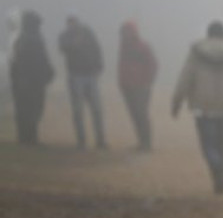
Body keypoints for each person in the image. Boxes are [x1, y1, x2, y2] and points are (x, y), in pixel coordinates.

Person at [171, 21, 223, 194]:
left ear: (208, 34)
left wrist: (177, 102)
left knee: (207, 144)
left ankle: (216, 168)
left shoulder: (196, 53)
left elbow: (185, 78)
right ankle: (220, 177)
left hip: (203, 106)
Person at [59, 15, 107, 149]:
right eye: (69, 22)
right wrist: (74, 44)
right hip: (75, 76)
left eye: (73, 22)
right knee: (78, 110)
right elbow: (63, 48)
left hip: (90, 75)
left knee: (96, 109)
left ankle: (100, 140)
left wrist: (99, 66)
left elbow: (97, 49)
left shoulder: (88, 33)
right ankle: (81, 141)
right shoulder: (65, 36)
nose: (71, 24)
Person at [8, 10, 54, 145]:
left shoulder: (25, 38)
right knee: (32, 109)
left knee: (27, 109)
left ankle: (26, 137)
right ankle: (29, 137)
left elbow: (16, 62)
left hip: (27, 81)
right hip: (31, 81)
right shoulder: (30, 38)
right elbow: (38, 60)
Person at [117, 21, 158, 151]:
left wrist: (147, 81)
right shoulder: (124, 47)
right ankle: (141, 142)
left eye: (127, 31)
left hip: (141, 87)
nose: (125, 34)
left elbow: (153, 65)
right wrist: (122, 82)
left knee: (141, 114)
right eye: (124, 32)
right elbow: (122, 65)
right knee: (134, 114)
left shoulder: (143, 47)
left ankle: (147, 143)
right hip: (128, 86)